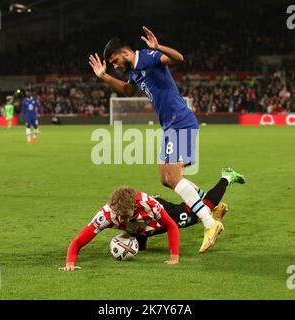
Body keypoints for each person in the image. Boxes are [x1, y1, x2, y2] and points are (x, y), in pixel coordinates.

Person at [88, 26, 245, 253]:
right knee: (165, 178)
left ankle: (210, 224)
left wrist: (158, 46)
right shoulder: (132, 72)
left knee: (174, 177)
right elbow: (128, 91)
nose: (115, 66)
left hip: (180, 121)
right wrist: (104, 76)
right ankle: (215, 205)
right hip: (170, 126)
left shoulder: (149, 56)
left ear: (124, 53)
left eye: (114, 62)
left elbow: (179, 58)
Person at [59, 167, 244, 271]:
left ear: (135, 206)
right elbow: (78, 242)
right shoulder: (106, 215)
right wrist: (70, 263)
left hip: (161, 216)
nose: (121, 218)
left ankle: (226, 177)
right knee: (138, 230)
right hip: (142, 227)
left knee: (201, 211)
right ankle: (142, 238)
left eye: (125, 215)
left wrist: (174, 257)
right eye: (119, 216)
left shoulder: (149, 205)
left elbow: (171, 226)